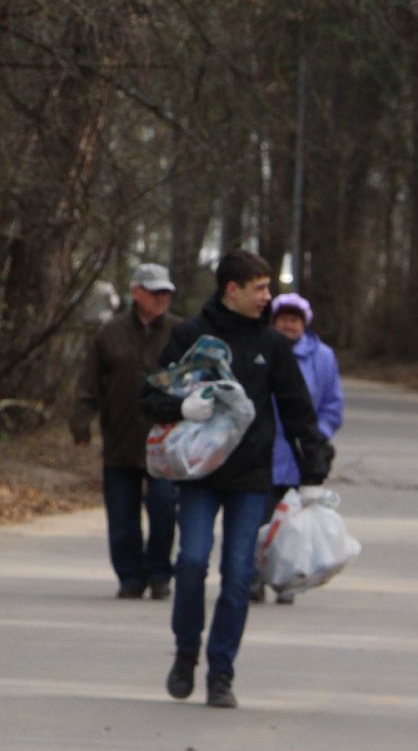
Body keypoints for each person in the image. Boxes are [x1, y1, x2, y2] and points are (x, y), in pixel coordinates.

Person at [140, 252, 332, 709]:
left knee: (239, 574)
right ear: (232, 290)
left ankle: (221, 672)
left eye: (268, 287)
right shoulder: (190, 336)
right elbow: (149, 395)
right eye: (259, 288)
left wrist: (313, 474)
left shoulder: (272, 344)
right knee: (191, 562)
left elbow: (299, 411)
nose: (268, 297)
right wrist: (182, 408)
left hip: (251, 478)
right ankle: (186, 652)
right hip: (200, 475)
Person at [70, 262, 180, 600]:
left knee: (164, 508)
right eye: (155, 292)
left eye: (166, 292)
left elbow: (198, 380)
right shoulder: (110, 333)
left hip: (167, 442)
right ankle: (130, 576)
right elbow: (89, 383)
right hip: (121, 438)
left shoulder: (180, 332)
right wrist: (81, 422)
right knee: (122, 516)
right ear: (136, 293)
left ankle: (159, 573)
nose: (162, 298)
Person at [253, 292, 345, 606]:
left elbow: (332, 405)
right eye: (283, 319)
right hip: (263, 453)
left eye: (295, 320)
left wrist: (315, 437)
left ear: (304, 324)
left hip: (300, 458)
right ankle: (252, 579)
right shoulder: (260, 350)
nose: (289, 325)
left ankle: (287, 579)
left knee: (292, 528)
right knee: (258, 521)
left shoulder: (323, 357)